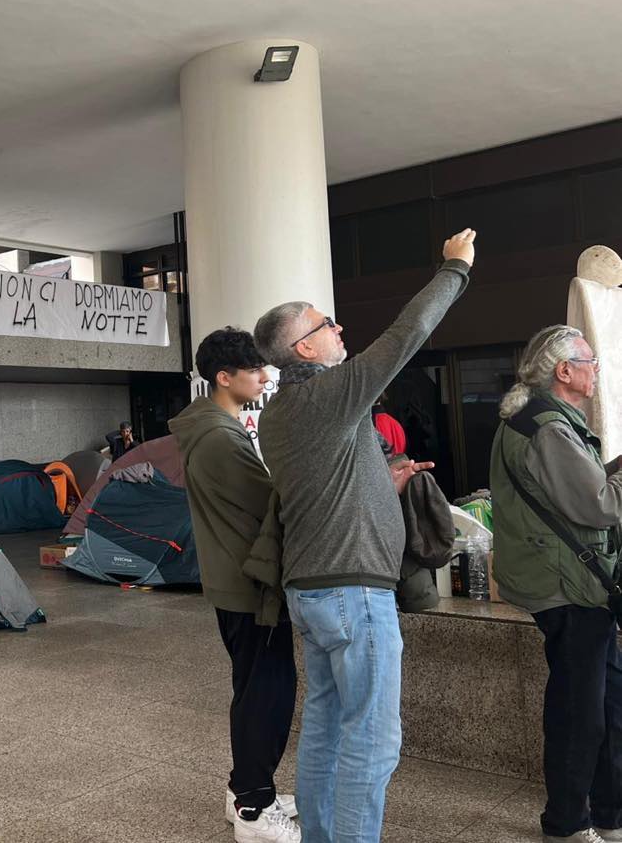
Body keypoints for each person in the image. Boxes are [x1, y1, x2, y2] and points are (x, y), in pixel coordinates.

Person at [252, 227, 476, 843]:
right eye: (327, 324)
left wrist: (386, 479)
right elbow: (406, 338)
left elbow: (330, 476)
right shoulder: (329, 393)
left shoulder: (282, 411)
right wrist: (453, 269)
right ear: (303, 348)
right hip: (353, 594)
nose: (340, 330)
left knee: (327, 728)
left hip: (313, 592)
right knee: (374, 744)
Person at [490, 325, 622, 843]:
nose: (596, 370)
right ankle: (566, 825)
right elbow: (600, 505)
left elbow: (581, 486)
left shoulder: (545, 420)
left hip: (573, 581)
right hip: (568, 587)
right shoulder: (547, 426)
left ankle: (611, 815)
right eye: (590, 361)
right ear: (564, 371)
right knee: (579, 710)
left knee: (608, 699)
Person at [169, 328, 300, 842]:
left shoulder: (213, 428)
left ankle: (248, 788)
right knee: (267, 691)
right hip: (249, 583)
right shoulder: (220, 437)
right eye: (256, 370)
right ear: (225, 378)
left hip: (235, 577)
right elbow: (272, 503)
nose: (265, 377)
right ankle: (252, 808)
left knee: (257, 685)